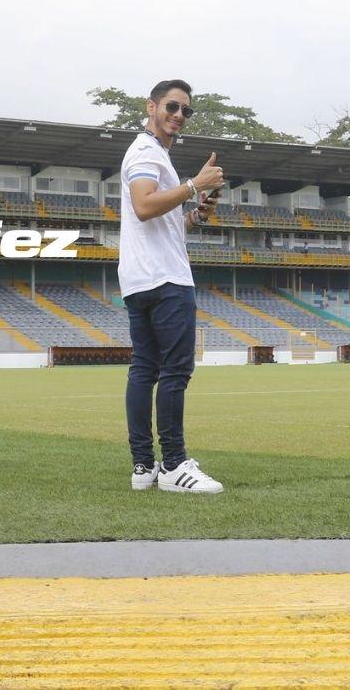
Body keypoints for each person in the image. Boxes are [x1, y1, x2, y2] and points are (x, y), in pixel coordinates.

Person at [119, 79, 227, 493]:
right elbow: (145, 206)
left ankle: (144, 467)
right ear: (151, 106)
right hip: (165, 279)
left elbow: (163, 224)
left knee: (144, 369)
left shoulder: (150, 153)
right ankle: (174, 465)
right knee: (175, 371)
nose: (178, 116)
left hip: (140, 276)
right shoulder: (147, 151)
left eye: (185, 111)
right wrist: (194, 184)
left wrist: (194, 213)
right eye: (171, 107)